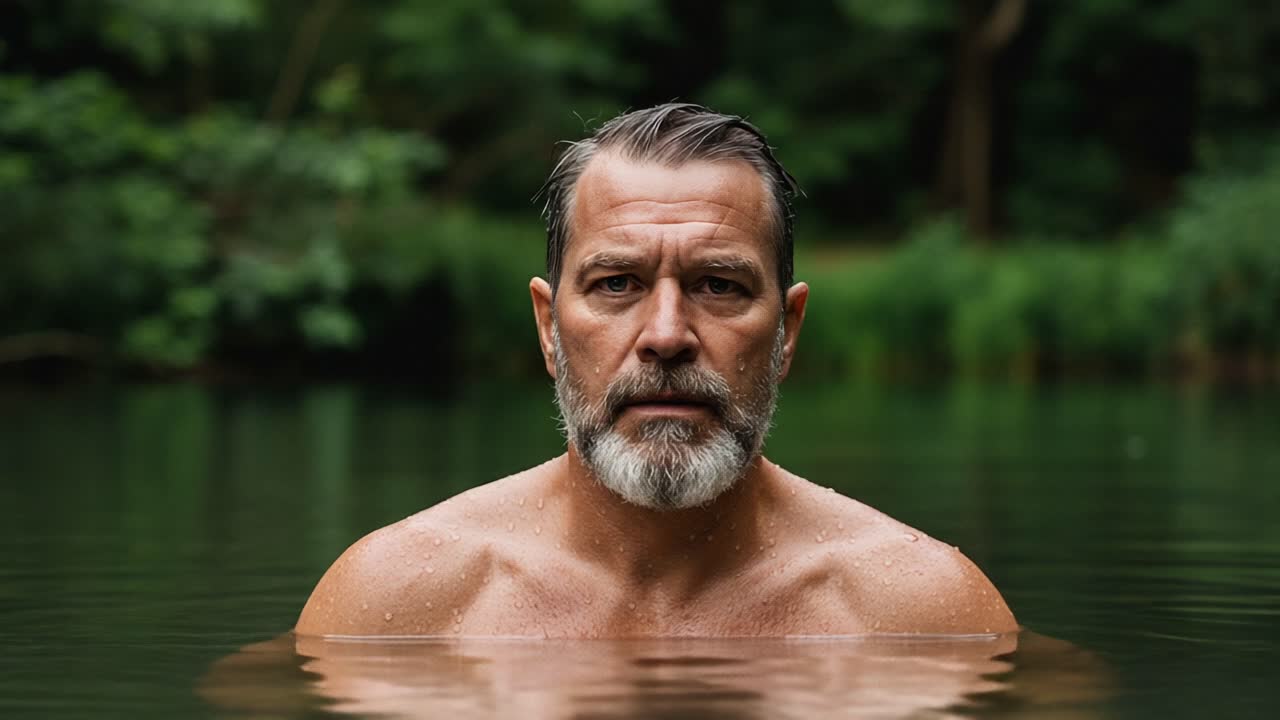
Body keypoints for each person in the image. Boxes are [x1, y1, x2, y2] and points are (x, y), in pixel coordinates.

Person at [295, 103, 1016, 637]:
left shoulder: (923, 614)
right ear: (549, 327)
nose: (667, 336)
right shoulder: (396, 603)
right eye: (617, 284)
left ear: (787, 332)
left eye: (719, 286)